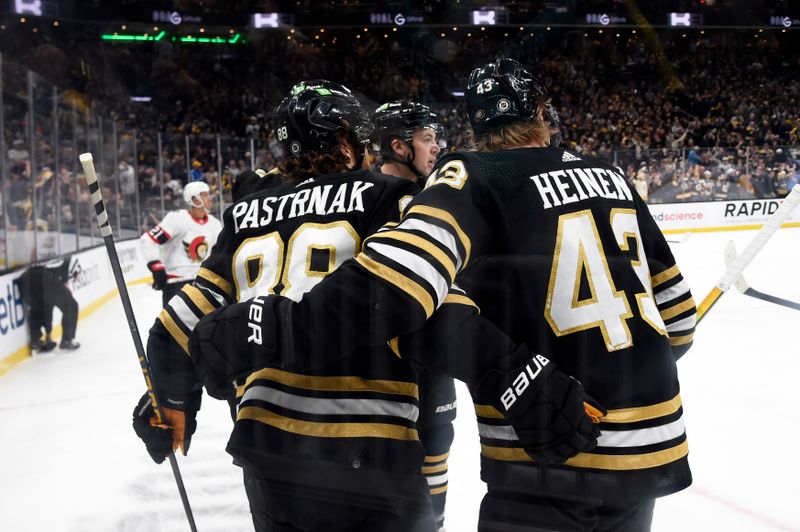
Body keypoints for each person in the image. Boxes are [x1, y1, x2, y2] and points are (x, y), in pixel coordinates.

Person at [193, 59, 697, 531]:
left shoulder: (471, 175)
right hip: (649, 452)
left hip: (541, 454)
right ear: (543, 114)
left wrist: (272, 325)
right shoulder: (611, 175)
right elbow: (679, 322)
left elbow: (394, 282)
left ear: (478, 130)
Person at [133, 80, 437, 531]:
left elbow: (173, 328)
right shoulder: (388, 195)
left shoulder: (243, 215)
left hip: (268, 449)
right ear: (343, 141)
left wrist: (171, 400)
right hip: (370, 446)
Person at [372, 100, 453, 530]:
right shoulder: (396, 202)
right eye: (428, 139)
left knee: (429, 506)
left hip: (429, 370)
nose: (437, 147)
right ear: (400, 147)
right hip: (390, 376)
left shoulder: (358, 194)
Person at [139, 181, 222, 307]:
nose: (209, 199)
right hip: (176, 283)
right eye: (205, 195)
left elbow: (218, 254)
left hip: (202, 283)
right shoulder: (177, 219)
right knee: (173, 326)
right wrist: (157, 268)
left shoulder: (215, 224)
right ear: (194, 199)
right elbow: (148, 240)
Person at [18, 255, 80, 351]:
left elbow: (47, 305)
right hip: (43, 277)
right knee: (71, 305)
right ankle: (67, 340)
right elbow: (66, 265)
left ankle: (36, 341)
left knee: (40, 306)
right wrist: (65, 282)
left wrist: (49, 333)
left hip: (25, 278)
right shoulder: (69, 260)